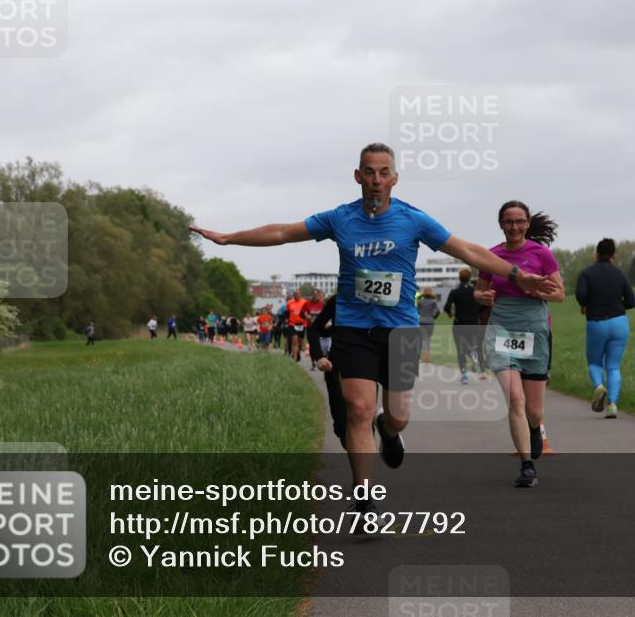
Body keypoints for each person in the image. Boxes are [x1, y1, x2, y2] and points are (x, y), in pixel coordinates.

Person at [189, 142, 555, 516]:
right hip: (353, 328)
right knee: (359, 409)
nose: (376, 180)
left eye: (383, 173)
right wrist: (229, 238)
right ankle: (364, 500)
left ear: (394, 178)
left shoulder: (413, 220)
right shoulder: (340, 218)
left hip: (401, 332)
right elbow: (283, 232)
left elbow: (466, 251)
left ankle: (390, 430)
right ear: (358, 176)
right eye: (369, 172)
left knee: (397, 416)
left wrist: (516, 274)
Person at [476, 201, 564, 488]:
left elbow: (560, 294)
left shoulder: (541, 254)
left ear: (527, 224)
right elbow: (478, 291)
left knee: (534, 411)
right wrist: (483, 297)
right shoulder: (492, 255)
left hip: (534, 329)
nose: (514, 227)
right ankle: (527, 466)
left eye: (519, 221)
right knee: (515, 398)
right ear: (501, 224)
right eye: (508, 221)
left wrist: (537, 290)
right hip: (501, 328)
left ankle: (534, 427)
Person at [575, 238, 635, 419]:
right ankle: (613, 405)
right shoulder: (620, 274)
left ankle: (599, 387)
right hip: (619, 323)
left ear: (596, 253)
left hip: (596, 322)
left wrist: (587, 305)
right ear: (613, 255)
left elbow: (581, 294)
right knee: (614, 366)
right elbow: (631, 301)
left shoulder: (586, 273)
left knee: (594, 363)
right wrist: (616, 305)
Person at [307, 294, 347, 448]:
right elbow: (314, 330)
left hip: (364, 366)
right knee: (341, 427)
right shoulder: (338, 300)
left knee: (363, 419)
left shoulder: (377, 300)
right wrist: (320, 357)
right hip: (335, 365)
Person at [444, 268, 487, 384]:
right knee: (475, 346)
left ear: (459, 278)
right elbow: (484, 305)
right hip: (474, 323)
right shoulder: (475, 292)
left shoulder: (455, 292)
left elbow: (447, 307)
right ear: (469, 278)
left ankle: (464, 376)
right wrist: (476, 313)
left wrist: (451, 313)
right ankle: (478, 363)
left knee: (460, 348)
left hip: (459, 323)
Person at [303, 289, 326, 370]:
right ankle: (313, 362)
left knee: (320, 344)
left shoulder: (322, 304)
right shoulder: (307, 303)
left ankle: (321, 360)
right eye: (313, 294)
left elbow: (326, 315)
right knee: (312, 345)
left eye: (316, 294)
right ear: (311, 295)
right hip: (310, 327)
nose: (315, 296)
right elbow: (302, 313)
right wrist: (306, 316)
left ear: (318, 295)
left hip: (320, 327)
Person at [416, 287, 439, 364]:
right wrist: (433, 317)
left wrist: (421, 314)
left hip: (421, 321)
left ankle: (421, 357)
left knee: (422, 339)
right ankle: (426, 358)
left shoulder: (420, 301)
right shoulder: (434, 301)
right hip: (430, 321)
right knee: (428, 339)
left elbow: (417, 310)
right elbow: (438, 311)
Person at [285, 290, 309, 362]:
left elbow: (308, 312)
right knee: (294, 340)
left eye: (297, 294)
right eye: (295, 294)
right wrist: (286, 321)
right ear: (293, 295)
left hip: (302, 324)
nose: (296, 295)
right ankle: (294, 358)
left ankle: (298, 353)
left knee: (300, 342)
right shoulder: (289, 303)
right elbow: (287, 313)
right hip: (292, 324)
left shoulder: (305, 302)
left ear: (300, 294)